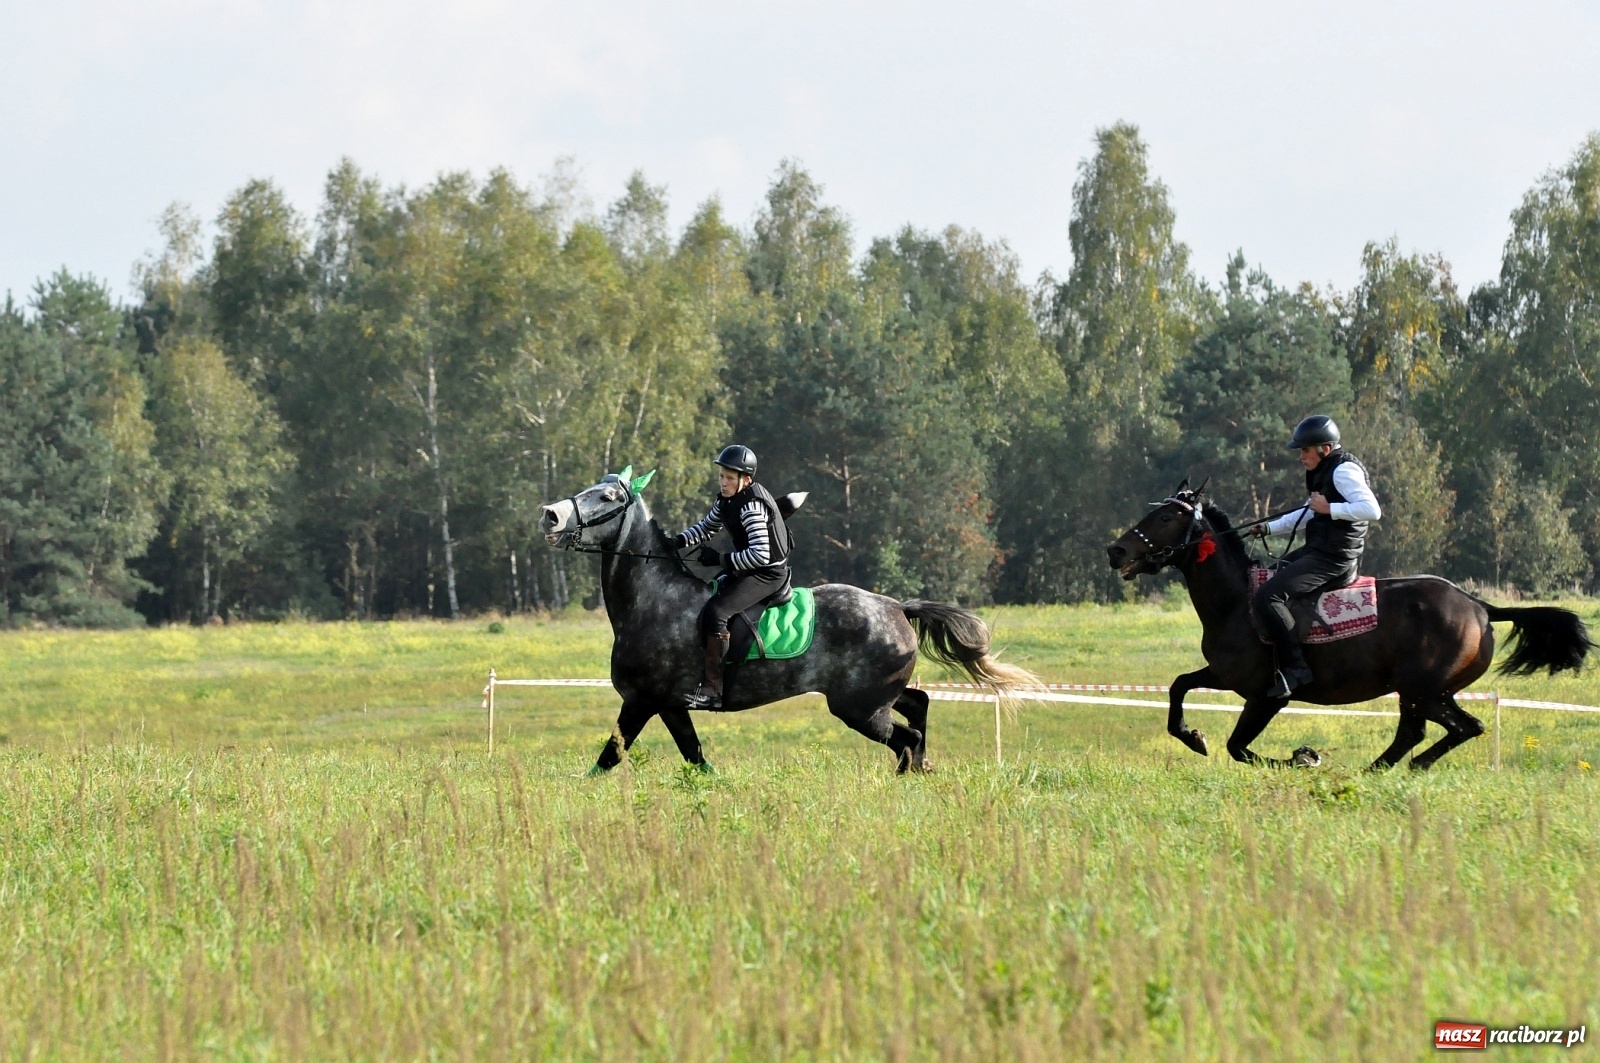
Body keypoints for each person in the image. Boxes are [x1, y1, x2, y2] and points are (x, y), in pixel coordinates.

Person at [1247, 415, 1382, 698]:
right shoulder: (1325, 470)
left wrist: (1330, 508)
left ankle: (1297, 669)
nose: (1301, 456)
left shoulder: (1343, 471)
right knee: (1270, 577)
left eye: (1305, 450)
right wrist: (1269, 528)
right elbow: (1310, 510)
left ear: (1325, 449)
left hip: (1335, 559)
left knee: (1268, 596)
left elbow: (1372, 510)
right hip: (1319, 551)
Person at [671, 445, 793, 710]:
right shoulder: (725, 500)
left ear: (745, 480)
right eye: (721, 476)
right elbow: (706, 527)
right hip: (748, 567)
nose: (724, 483)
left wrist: (720, 559)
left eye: (730, 478)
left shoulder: (751, 507)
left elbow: (761, 556)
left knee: (717, 612)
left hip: (768, 573)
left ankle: (713, 690)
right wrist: (676, 541)